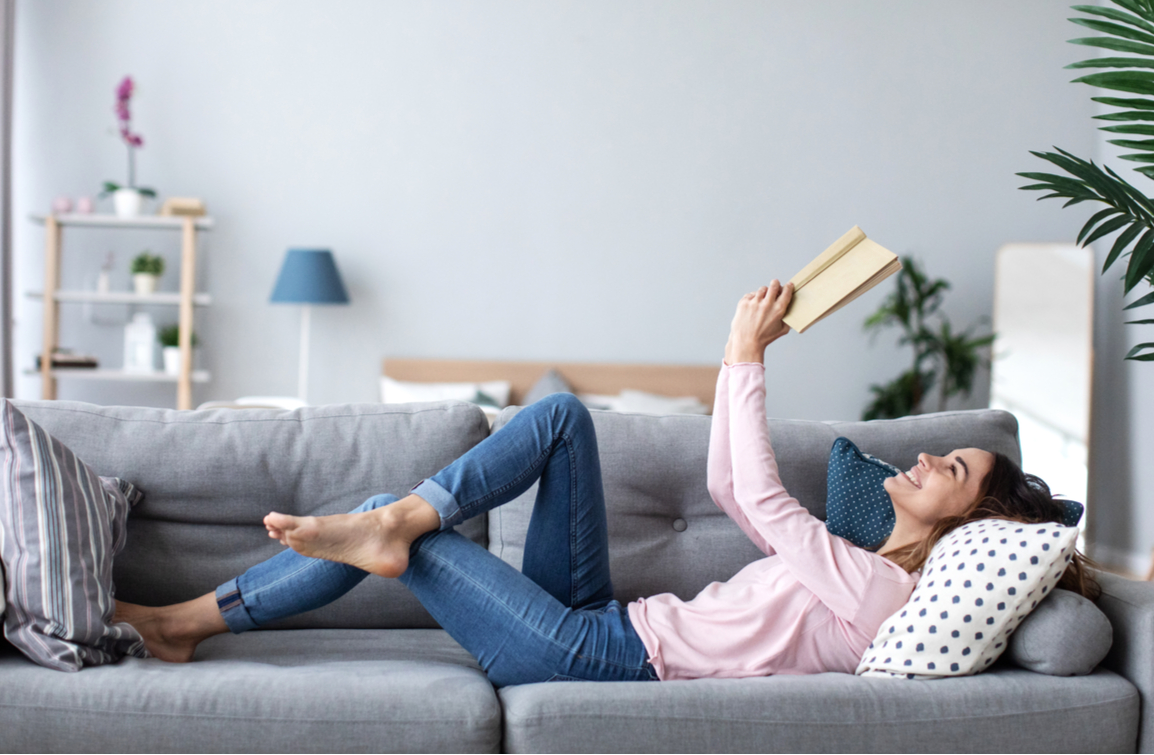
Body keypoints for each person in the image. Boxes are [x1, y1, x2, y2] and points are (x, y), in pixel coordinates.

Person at [116, 279, 1092, 683]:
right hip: (602, 612)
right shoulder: (855, 565)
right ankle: (407, 516)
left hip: (596, 655)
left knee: (383, 522)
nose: (925, 458)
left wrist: (741, 348)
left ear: (968, 517)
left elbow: (757, 498)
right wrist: (739, 358)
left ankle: (186, 620)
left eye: (950, 466)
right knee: (558, 418)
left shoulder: (882, 588)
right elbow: (726, 475)